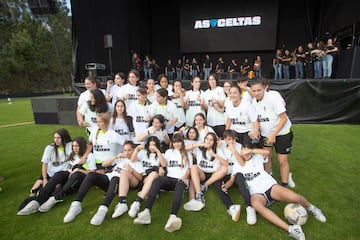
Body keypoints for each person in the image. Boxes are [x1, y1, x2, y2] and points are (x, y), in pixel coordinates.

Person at [233, 146, 326, 240]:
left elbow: (267, 152)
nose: (246, 152)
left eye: (247, 149)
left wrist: (251, 151)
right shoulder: (237, 165)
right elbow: (232, 179)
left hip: (270, 186)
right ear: (240, 151)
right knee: (256, 205)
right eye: (243, 149)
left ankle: (312, 208)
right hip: (257, 194)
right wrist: (225, 186)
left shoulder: (257, 157)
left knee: (295, 198)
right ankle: (292, 229)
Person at [62, 113, 125, 223]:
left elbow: (128, 146)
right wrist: (84, 157)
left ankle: (102, 209)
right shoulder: (94, 132)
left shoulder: (114, 135)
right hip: (94, 164)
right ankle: (76, 204)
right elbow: (90, 145)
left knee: (106, 179)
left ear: (106, 122)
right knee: (84, 175)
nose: (98, 124)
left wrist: (119, 158)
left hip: (108, 165)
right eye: (97, 121)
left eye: (100, 121)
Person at [17, 136, 96, 215]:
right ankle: (38, 201)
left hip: (79, 179)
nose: (74, 148)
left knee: (77, 174)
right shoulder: (73, 155)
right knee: (59, 174)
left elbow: (92, 172)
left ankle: (56, 197)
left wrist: (79, 170)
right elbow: (68, 168)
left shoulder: (90, 157)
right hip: (69, 175)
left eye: (77, 146)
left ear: (82, 146)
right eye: (73, 146)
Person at [133, 134, 192, 232]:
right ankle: (147, 211)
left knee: (180, 184)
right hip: (168, 179)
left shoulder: (187, 154)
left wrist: (184, 177)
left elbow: (189, 170)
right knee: (157, 181)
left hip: (180, 180)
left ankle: (172, 216)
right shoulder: (168, 152)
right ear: (172, 143)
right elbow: (163, 163)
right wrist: (159, 167)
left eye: (178, 142)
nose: (176, 144)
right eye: (174, 142)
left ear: (182, 142)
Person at [249, 78, 295, 188]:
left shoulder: (273, 98)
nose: (256, 93)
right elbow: (257, 120)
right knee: (266, 157)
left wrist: (273, 134)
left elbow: (283, 118)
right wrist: (256, 130)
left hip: (282, 133)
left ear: (264, 88)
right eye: (253, 91)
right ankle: (268, 180)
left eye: (259, 90)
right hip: (266, 135)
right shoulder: (254, 102)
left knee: (282, 160)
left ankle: (284, 185)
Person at [89, 141, 144, 225]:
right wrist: (115, 157)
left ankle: (109, 207)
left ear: (134, 150)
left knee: (118, 176)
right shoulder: (121, 158)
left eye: (129, 150)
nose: (126, 152)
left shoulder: (137, 162)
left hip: (124, 182)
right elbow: (104, 164)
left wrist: (131, 170)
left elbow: (140, 178)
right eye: (125, 150)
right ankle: (76, 203)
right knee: (91, 175)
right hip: (111, 179)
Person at [214, 130, 256, 224]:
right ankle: (231, 207)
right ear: (225, 139)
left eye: (233, 139)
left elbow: (242, 163)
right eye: (229, 139)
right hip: (225, 172)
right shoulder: (221, 145)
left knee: (240, 179)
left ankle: (249, 206)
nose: (232, 141)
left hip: (237, 171)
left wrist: (235, 151)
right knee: (217, 183)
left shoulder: (239, 146)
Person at [183, 132, 228, 211]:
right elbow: (184, 148)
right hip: (202, 173)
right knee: (193, 167)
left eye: (211, 140)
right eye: (207, 139)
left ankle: (204, 185)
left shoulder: (217, 150)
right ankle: (197, 196)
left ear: (214, 142)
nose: (208, 141)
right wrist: (199, 145)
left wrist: (214, 154)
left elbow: (226, 164)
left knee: (224, 169)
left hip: (213, 174)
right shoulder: (200, 149)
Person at [125, 136, 166, 219]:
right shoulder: (143, 153)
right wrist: (136, 149)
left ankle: (138, 201)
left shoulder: (160, 154)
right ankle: (145, 194)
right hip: (142, 176)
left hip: (153, 177)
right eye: (150, 145)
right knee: (153, 174)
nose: (152, 147)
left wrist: (157, 151)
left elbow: (164, 164)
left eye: (154, 145)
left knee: (154, 174)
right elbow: (132, 160)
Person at [25, 129, 72, 199]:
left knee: (54, 189)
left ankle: (42, 195)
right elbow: (44, 163)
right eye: (55, 138)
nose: (56, 140)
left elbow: (86, 145)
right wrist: (44, 178)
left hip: (61, 174)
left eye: (58, 138)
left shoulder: (70, 145)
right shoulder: (50, 148)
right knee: (33, 191)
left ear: (64, 138)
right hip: (49, 172)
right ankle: (33, 195)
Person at [202, 73, 226, 137]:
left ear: (216, 80)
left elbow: (223, 104)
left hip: (220, 121)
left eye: (213, 79)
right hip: (210, 120)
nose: (211, 81)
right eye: (210, 80)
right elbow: (206, 108)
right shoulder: (206, 92)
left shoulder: (220, 89)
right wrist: (202, 104)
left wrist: (216, 101)